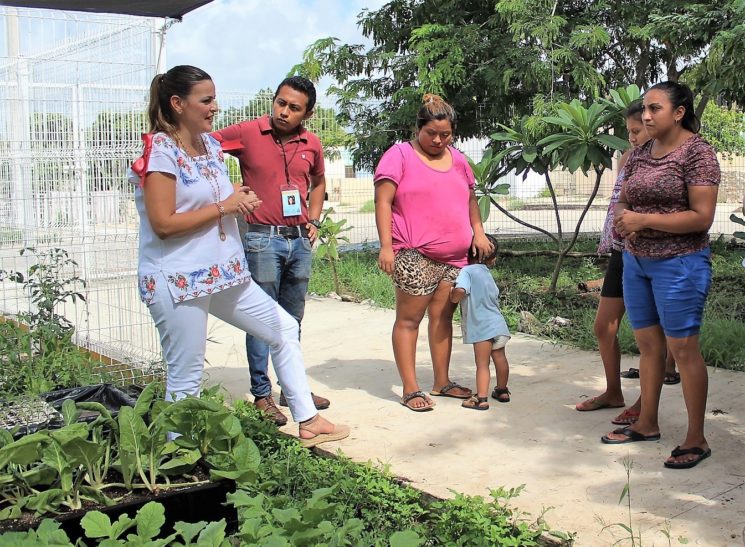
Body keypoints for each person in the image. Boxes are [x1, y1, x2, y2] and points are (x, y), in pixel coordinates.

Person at [130, 65, 348, 448]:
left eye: (215, 98)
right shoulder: (161, 152)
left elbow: (218, 195)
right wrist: (225, 206)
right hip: (179, 280)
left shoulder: (210, 147)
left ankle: (308, 420)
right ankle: (176, 457)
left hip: (223, 273)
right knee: (186, 376)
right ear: (178, 104)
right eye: (207, 100)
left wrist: (238, 198)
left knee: (282, 329)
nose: (215, 107)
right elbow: (163, 223)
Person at [600, 81, 720, 470]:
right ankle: (647, 423)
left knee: (683, 351)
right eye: (645, 110)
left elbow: (702, 217)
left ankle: (695, 438)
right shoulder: (639, 153)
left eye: (655, 109)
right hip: (637, 262)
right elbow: (624, 199)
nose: (646, 116)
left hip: (680, 264)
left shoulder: (697, 154)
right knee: (648, 347)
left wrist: (645, 220)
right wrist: (625, 220)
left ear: (679, 112)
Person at [211, 76, 330, 426]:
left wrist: (315, 218)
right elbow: (203, 148)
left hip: (299, 240)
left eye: (294, 108)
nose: (284, 111)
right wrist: (228, 187)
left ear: (307, 113)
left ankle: (292, 390)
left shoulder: (312, 143)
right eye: (281, 102)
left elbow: (319, 181)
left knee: (292, 321)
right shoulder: (248, 133)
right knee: (262, 318)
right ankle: (261, 395)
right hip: (262, 238)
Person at [374, 93, 493, 412]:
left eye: (445, 134)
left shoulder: (458, 159)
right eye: (432, 134)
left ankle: (442, 381)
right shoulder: (399, 155)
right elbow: (383, 201)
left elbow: (470, 200)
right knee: (409, 319)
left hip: (455, 257)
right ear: (418, 128)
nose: (438, 140)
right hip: (413, 253)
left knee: (442, 319)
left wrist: (478, 232)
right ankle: (411, 388)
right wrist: (386, 246)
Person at [575, 102, 678, 425]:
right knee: (603, 326)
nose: (631, 138)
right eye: (629, 131)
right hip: (622, 251)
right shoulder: (629, 158)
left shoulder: (671, 160)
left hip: (653, 254)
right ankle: (613, 392)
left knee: (651, 337)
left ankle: (645, 404)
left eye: (636, 131)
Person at [450, 235, 511, 410]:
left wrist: (453, 297)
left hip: (482, 327)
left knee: (482, 364)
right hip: (498, 325)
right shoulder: (486, 273)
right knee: (500, 358)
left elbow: (461, 290)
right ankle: (502, 390)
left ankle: (481, 399)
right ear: (492, 259)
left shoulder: (467, 271)